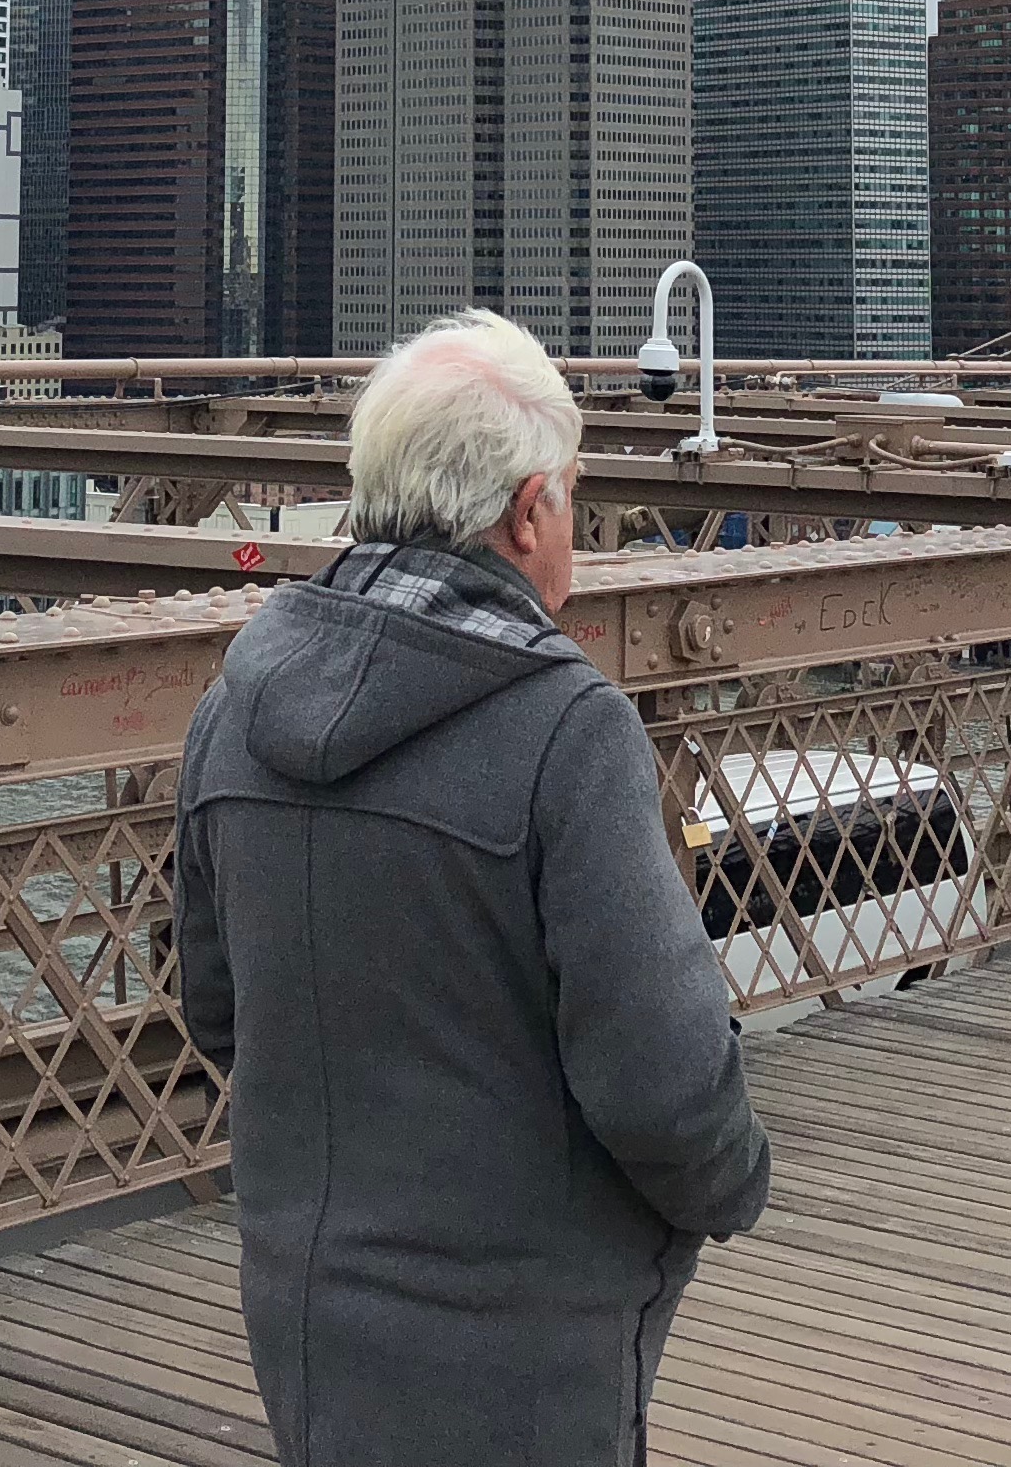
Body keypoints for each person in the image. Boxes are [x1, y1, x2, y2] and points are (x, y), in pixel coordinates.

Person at [173, 310, 771, 1467]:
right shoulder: (568, 729)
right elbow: (660, 1073)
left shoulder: (231, 707)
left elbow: (212, 1009)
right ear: (527, 510)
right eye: (575, 501)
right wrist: (731, 1184)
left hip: (303, 1302)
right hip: (532, 1335)